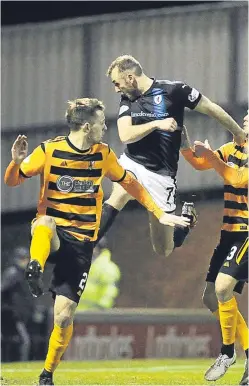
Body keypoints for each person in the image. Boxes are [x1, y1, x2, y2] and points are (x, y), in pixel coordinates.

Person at [4, 97, 189, 385]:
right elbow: (13, 181)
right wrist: (14, 164)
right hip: (52, 236)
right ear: (88, 126)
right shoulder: (49, 151)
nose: (106, 128)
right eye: (103, 123)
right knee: (45, 222)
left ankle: (47, 374)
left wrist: (159, 213)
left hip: (81, 246)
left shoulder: (103, 155)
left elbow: (130, 184)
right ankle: (35, 267)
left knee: (63, 318)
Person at [95, 55, 246, 258]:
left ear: (130, 78)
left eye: (117, 83)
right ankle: (84, 246)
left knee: (163, 249)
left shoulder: (175, 90)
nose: (116, 89)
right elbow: (125, 135)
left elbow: (211, 108)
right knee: (119, 195)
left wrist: (238, 132)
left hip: (161, 176)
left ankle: (183, 228)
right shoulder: (127, 99)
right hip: (133, 163)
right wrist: (156, 124)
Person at [180, 114, 248, 385]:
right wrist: (184, 144)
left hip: (247, 234)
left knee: (222, 289)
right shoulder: (232, 149)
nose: (243, 121)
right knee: (210, 297)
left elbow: (237, 178)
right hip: (229, 234)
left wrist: (213, 157)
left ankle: (228, 352)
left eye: (247, 120)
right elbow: (199, 164)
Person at [1, 247, 33, 362]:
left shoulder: (20, 273)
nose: (26, 261)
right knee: (24, 341)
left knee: (19, 341)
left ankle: (15, 363)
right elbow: (3, 290)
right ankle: (20, 364)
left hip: (17, 314)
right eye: (23, 258)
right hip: (11, 315)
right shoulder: (13, 273)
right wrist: (8, 309)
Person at [77, 238, 121, 311]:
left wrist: (100, 311)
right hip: (75, 314)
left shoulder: (108, 269)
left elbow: (109, 293)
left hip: (95, 315)